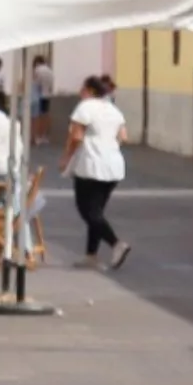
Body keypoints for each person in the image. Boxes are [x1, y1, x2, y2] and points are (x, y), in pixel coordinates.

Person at [60, 75, 131, 270]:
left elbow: (76, 137)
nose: (79, 92)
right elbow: (123, 137)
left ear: (91, 91)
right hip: (113, 165)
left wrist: (66, 158)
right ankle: (91, 255)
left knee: (86, 210)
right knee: (97, 212)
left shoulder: (85, 107)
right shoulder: (113, 109)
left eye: (82, 89)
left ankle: (116, 244)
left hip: (90, 164)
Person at [30, 55, 55, 144]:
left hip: (38, 96)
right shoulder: (50, 71)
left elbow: (35, 84)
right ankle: (43, 136)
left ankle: (35, 136)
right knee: (45, 116)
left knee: (36, 117)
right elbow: (51, 84)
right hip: (47, 95)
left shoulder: (37, 70)